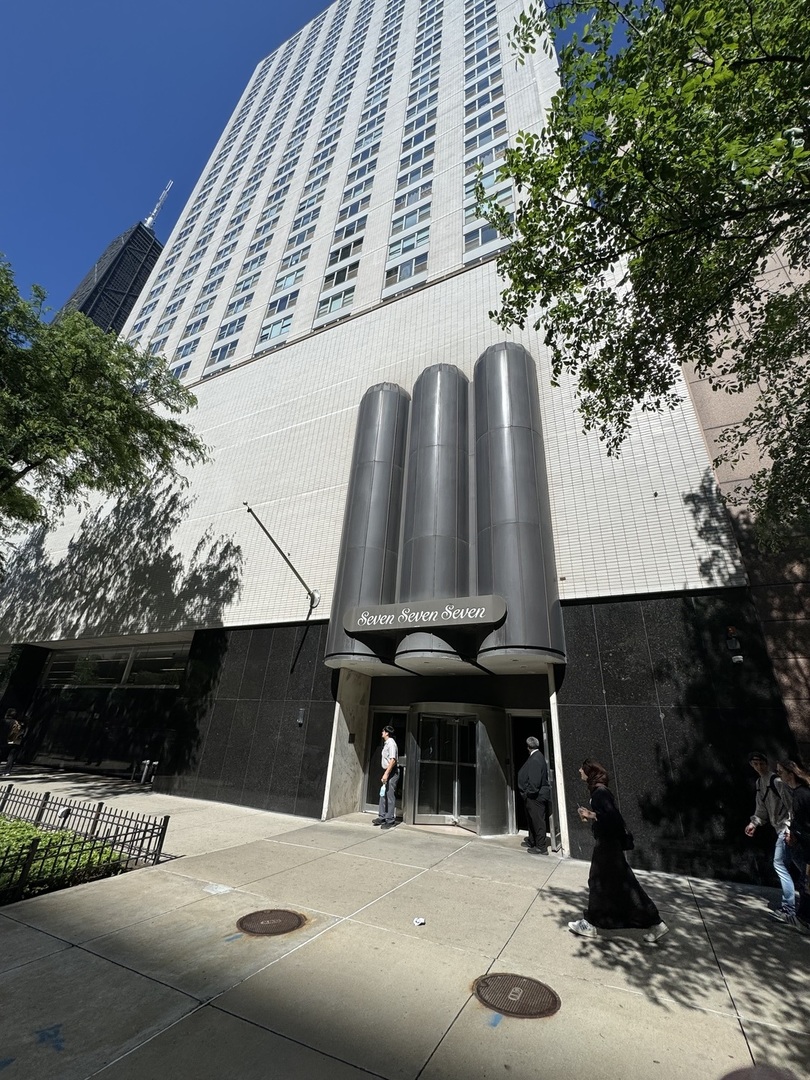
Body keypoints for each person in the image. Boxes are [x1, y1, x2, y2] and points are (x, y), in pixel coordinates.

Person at [568, 758, 668, 943]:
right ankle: (655, 923)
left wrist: (591, 815)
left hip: (607, 846)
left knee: (598, 882)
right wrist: (591, 815)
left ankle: (590, 924)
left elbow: (612, 819)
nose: (579, 771)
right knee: (624, 884)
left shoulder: (600, 793)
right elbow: (609, 816)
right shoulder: (600, 793)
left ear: (589, 773)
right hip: (609, 845)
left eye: (582, 769)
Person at [744, 751, 795, 926]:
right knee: (798, 866)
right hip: (780, 829)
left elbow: (792, 805)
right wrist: (755, 823)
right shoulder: (760, 783)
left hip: (786, 829)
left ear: (767, 763)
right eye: (754, 763)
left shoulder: (777, 781)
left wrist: (790, 828)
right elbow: (761, 809)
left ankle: (789, 907)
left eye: (761, 762)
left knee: (779, 864)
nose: (758, 766)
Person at [776, 759, 810, 932]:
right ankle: (803, 919)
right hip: (806, 845)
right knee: (805, 881)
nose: (779, 775)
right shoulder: (799, 792)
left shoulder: (802, 794)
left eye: (780, 772)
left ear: (790, 774)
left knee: (806, 882)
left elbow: (805, 822)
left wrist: (795, 833)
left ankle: (804, 920)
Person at [517, 736, 551, 855]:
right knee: (532, 819)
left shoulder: (536, 759)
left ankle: (541, 847)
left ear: (528, 747)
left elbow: (535, 782)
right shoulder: (537, 757)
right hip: (533, 796)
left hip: (536, 796)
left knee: (537, 821)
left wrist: (528, 793)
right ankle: (532, 841)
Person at [372, 725, 399, 830]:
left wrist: (386, 773)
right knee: (383, 794)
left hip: (391, 772)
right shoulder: (386, 743)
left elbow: (393, 760)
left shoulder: (391, 743)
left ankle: (390, 820)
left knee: (389, 795)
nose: (382, 732)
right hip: (387, 771)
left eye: (383, 731)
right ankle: (382, 816)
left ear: (387, 733)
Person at [2, 710, 26, 776]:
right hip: (14, 741)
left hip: (3, 740)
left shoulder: (3, 721)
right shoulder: (18, 723)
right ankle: (7, 771)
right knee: (11, 757)